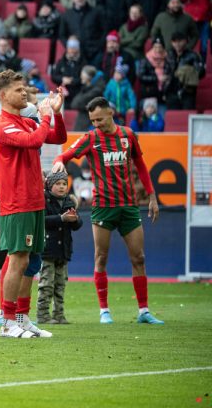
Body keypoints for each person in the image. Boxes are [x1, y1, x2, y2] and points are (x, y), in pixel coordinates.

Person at [52, 96, 163, 325]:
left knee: (139, 257)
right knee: (100, 257)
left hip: (129, 207)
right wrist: (60, 161)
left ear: (111, 113)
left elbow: (141, 165)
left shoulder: (128, 135)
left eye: (99, 119)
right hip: (103, 207)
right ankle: (104, 310)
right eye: (92, 120)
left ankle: (143, 311)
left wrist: (152, 197)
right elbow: (64, 154)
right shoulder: (91, 139)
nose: (96, 124)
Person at [0, 70, 67, 338]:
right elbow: (36, 141)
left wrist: (55, 113)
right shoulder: (5, 126)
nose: (24, 93)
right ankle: (7, 321)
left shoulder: (24, 122)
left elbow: (58, 138)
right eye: (18, 90)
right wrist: (45, 116)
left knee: (29, 262)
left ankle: (22, 319)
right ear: (3, 95)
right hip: (17, 202)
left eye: (24, 89)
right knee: (17, 260)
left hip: (35, 201)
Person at [38, 171, 82, 324]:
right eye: (58, 184)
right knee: (46, 284)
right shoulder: (44, 200)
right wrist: (61, 218)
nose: (62, 187)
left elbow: (77, 226)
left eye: (64, 183)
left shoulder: (69, 202)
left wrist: (75, 219)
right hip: (48, 249)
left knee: (60, 284)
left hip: (63, 250)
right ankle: (43, 315)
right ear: (50, 185)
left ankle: (59, 314)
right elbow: (41, 221)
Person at [59, 0, 106, 65]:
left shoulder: (96, 12)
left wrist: (99, 46)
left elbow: (104, 30)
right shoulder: (66, 15)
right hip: (76, 54)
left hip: (95, 53)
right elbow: (62, 35)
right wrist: (71, 47)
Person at [165, 31, 205, 110]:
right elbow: (166, 71)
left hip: (187, 91)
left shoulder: (193, 55)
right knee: (173, 118)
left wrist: (189, 72)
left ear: (186, 41)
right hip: (171, 91)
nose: (177, 44)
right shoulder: (169, 55)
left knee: (186, 116)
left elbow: (201, 72)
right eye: (174, 41)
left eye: (180, 41)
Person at [51, 37, 85, 105]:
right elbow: (54, 76)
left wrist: (71, 81)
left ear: (78, 48)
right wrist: (62, 79)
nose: (72, 50)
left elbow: (83, 79)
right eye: (70, 47)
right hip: (62, 94)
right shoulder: (62, 61)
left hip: (77, 94)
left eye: (74, 47)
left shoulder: (83, 62)